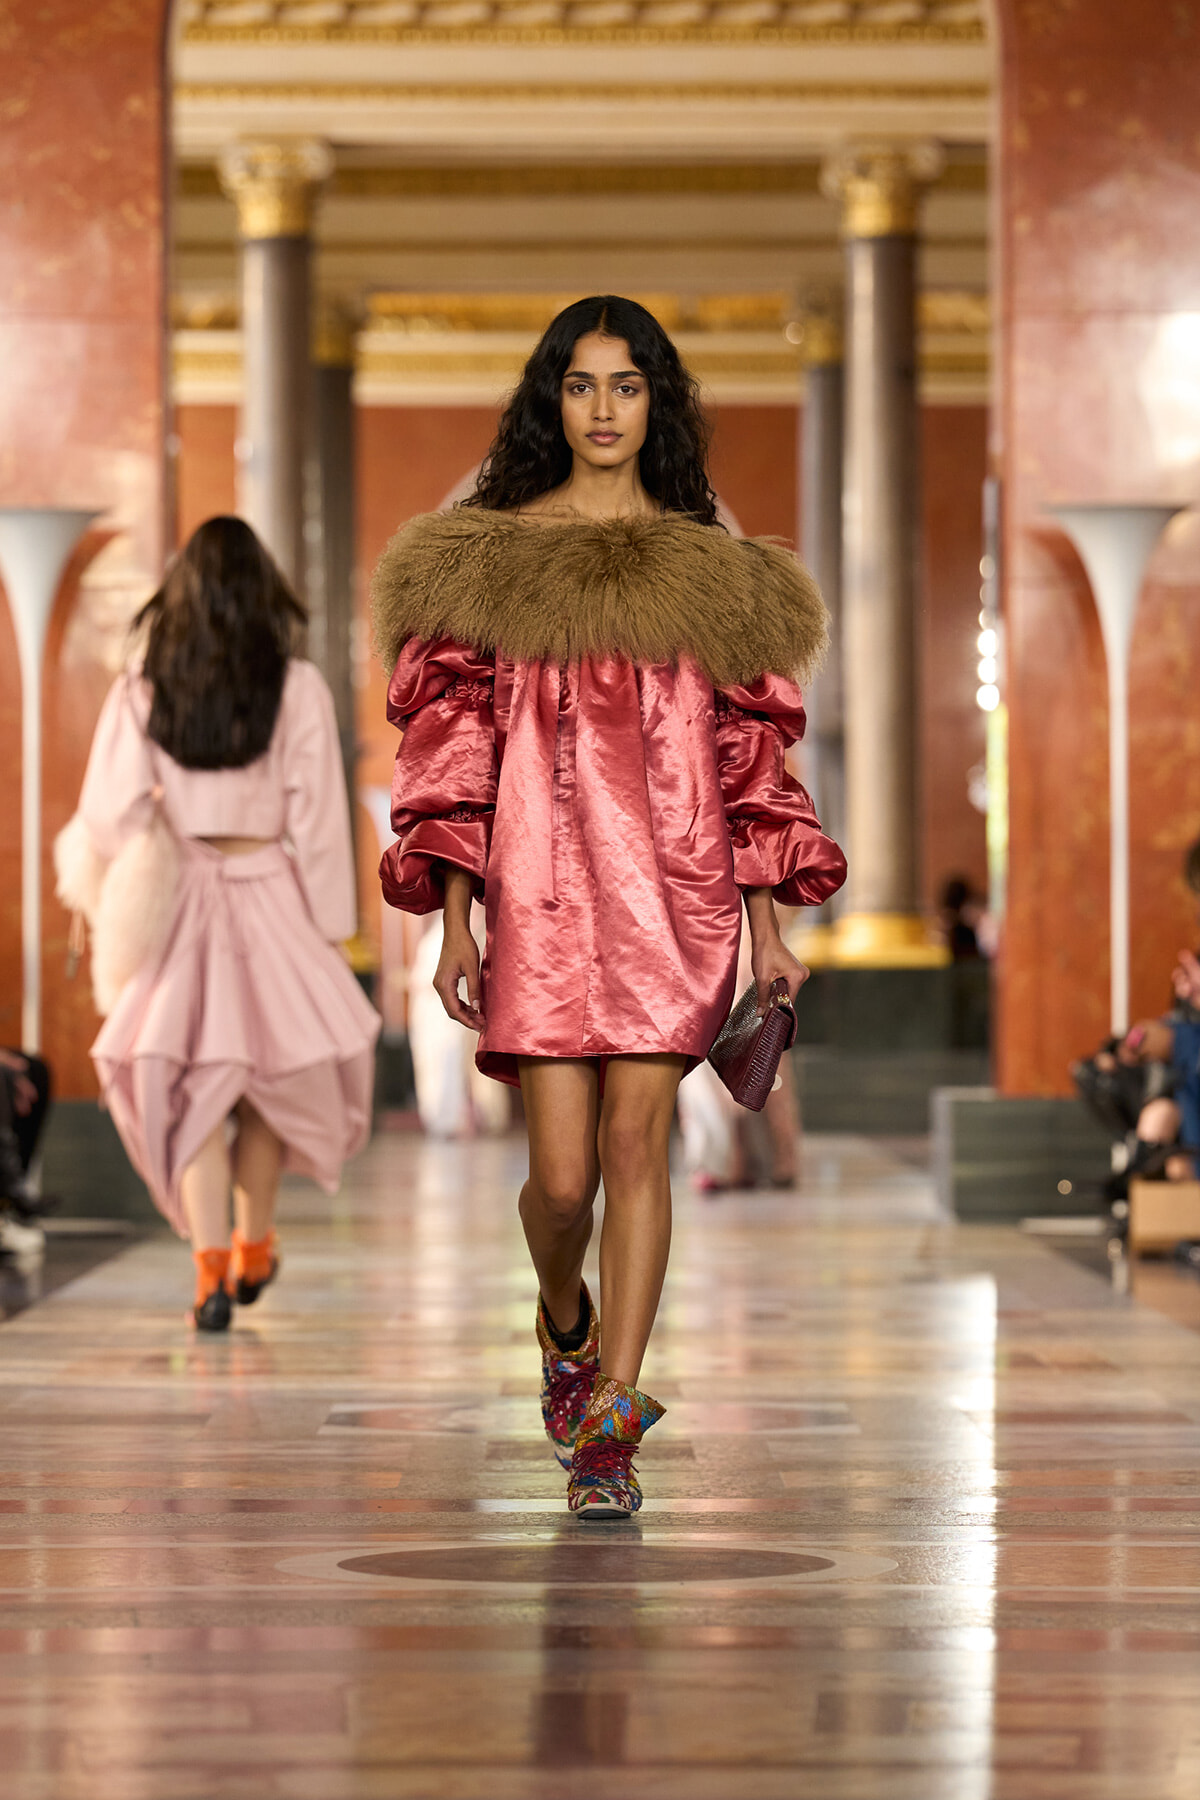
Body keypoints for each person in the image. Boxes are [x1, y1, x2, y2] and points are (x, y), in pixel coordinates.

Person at [374, 295, 845, 1517]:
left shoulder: (716, 576)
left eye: (626, 386)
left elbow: (750, 765)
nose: (602, 409)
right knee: (565, 1184)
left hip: (674, 894)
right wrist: (455, 922)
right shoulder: (486, 560)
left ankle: (609, 1434)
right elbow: (456, 758)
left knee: (637, 1150)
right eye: (581, 386)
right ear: (551, 400)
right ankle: (564, 1321)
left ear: (658, 403)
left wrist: (771, 932)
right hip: (535, 898)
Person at [55, 517, 380, 1330]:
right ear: (261, 591)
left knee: (194, 1083)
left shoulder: (144, 683)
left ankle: (207, 1273)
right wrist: (332, 923)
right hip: (272, 889)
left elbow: (109, 811)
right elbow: (315, 815)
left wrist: (131, 861)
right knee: (268, 1084)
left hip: (186, 895)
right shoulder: (297, 684)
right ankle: (253, 1243)